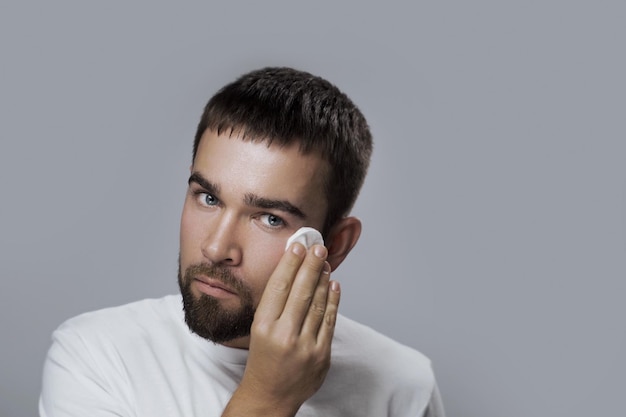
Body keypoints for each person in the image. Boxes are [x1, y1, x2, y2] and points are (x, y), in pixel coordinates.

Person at [39, 67, 445, 417]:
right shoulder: (95, 356)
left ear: (335, 245)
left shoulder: (403, 386)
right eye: (209, 198)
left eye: (270, 218)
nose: (216, 249)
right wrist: (267, 400)